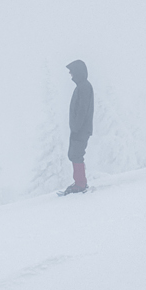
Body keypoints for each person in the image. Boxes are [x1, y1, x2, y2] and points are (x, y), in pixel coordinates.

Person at [61, 59, 93, 195]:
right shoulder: (81, 86)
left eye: (72, 72)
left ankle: (81, 183)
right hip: (79, 128)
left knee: (76, 154)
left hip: (80, 129)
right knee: (74, 154)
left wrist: (76, 128)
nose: (71, 75)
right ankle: (79, 181)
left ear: (78, 72)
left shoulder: (84, 87)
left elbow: (82, 110)